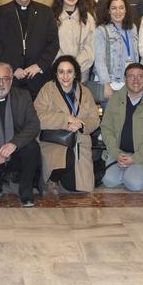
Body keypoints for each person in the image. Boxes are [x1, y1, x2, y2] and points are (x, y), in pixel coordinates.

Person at [0, 61, 42, 206]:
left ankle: (26, 191)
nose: (1, 83)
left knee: (32, 147)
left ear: (11, 81)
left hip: (16, 150)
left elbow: (34, 125)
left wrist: (14, 144)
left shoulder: (23, 96)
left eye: (5, 79)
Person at [35, 56, 101, 192]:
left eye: (69, 72)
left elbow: (95, 120)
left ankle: (63, 177)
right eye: (61, 72)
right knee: (64, 161)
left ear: (75, 73)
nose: (65, 76)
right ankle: (53, 179)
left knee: (78, 188)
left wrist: (81, 125)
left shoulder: (85, 92)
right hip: (54, 141)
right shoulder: (48, 89)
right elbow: (37, 117)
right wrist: (66, 119)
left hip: (79, 142)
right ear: (56, 73)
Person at [0, 0, 60, 97]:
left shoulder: (46, 12)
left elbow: (53, 43)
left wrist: (39, 66)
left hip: (39, 78)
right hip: (11, 78)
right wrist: (13, 68)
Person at [100, 63, 143, 192]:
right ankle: (127, 172)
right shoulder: (114, 99)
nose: (136, 80)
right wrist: (116, 153)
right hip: (118, 153)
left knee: (134, 184)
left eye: (140, 76)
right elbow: (106, 128)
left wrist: (135, 158)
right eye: (131, 76)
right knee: (108, 181)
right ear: (125, 79)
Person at [92, 0, 140, 104]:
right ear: (108, 11)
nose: (118, 12)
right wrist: (106, 83)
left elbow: (136, 55)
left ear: (126, 10)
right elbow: (99, 60)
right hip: (111, 83)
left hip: (130, 82)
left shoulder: (133, 28)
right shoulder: (101, 31)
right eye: (113, 8)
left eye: (121, 8)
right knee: (111, 119)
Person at [53, 0, 95, 79]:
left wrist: (75, 67)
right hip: (59, 72)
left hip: (81, 72)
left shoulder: (88, 18)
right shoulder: (52, 17)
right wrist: (63, 67)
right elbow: (50, 46)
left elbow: (90, 46)